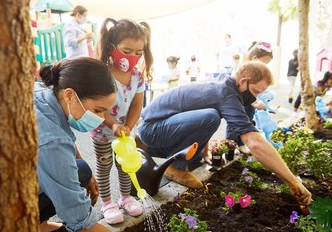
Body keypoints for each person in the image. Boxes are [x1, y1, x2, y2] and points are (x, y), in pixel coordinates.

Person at [137, 61, 312, 208]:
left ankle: (149, 146)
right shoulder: (227, 95)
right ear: (243, 81)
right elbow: (254, 142)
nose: (256, 98)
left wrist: (203, 152)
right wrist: (292, 181)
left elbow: (193, 112)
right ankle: (176, 167)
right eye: (256, 91)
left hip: (157, 122)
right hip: (153, 128)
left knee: (209, 119)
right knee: (211, 117)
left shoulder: (224, 83)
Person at [35, 58, 117, 232]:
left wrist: (85, 172)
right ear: (70, 95)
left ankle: (38, 224)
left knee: (82, 170)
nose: (102, 119)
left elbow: (65, 140)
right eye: (98, 110)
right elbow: (82, 223)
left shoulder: (43, 92)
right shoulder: (52, 141)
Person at [92, 18, 153, 225]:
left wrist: (128, 125)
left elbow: (137, 105)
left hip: (124, 134)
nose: (133, 57)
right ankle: (108, 203)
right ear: (111, 47)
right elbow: (98, 106)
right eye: (127, 51)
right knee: (104, 166)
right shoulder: (102, 73)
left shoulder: (137, 76)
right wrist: (113, 125)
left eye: (138, 52)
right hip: (102, 131)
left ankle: (126, 197)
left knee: (127, 165)